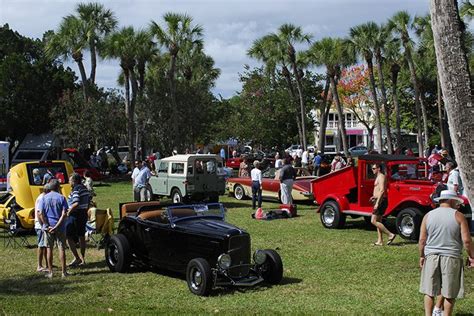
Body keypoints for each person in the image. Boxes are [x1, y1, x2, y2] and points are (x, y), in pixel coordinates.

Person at [419, 190, 474, 316]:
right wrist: (472, 256)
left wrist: (422, 256)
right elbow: (466, 241)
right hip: (451, 257)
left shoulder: (428, 216)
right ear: (451, 200)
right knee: (449, 293)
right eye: (456, 201)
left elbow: (422, 240)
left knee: (429, 291)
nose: (457, 204)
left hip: (431, 256)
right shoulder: (458, 216)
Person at [37, 179, 69, 278]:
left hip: (48, 228)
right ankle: (64, 272)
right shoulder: (62, 198)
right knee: (61, 248)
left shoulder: (44, 198)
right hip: (60, 227)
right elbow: (64, 214)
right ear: (58, 187)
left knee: (49, 249)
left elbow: (40, 213)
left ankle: (50, 272)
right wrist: (57, 226)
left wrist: (46, 225)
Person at [66, 173, 91, 267]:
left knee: (68, 236)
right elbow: (88, 201)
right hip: (83, 213)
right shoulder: (85, 188)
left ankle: (77, 258)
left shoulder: (76, 189)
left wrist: (69, 212)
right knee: (81, 236)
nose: (69, 182)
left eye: (70, 180)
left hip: (75, 215)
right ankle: (83, 259)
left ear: (74, 181)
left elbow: (76, 203)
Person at [370, 163, 396, 246]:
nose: (372, 170)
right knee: (378, 221)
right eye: (372, 168)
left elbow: (382, 190)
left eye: (374, 168)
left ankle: (390, 234)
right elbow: (378, 190)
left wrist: (377, 203)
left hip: (380, 201)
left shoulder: (381, 177)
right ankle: (380, 241)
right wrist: (374, 197)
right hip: (378, 199)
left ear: (379, 169)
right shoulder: (378, 177)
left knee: (373, 221)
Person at [34, 183, 50, 272]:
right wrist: (44, 224)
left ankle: (48, 263)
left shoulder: (43, 197)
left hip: (41, 225)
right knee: (41, 245)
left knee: (45, 244)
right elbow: (39, 213)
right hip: (40, 225)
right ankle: (39, 265)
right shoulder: (42, 198)